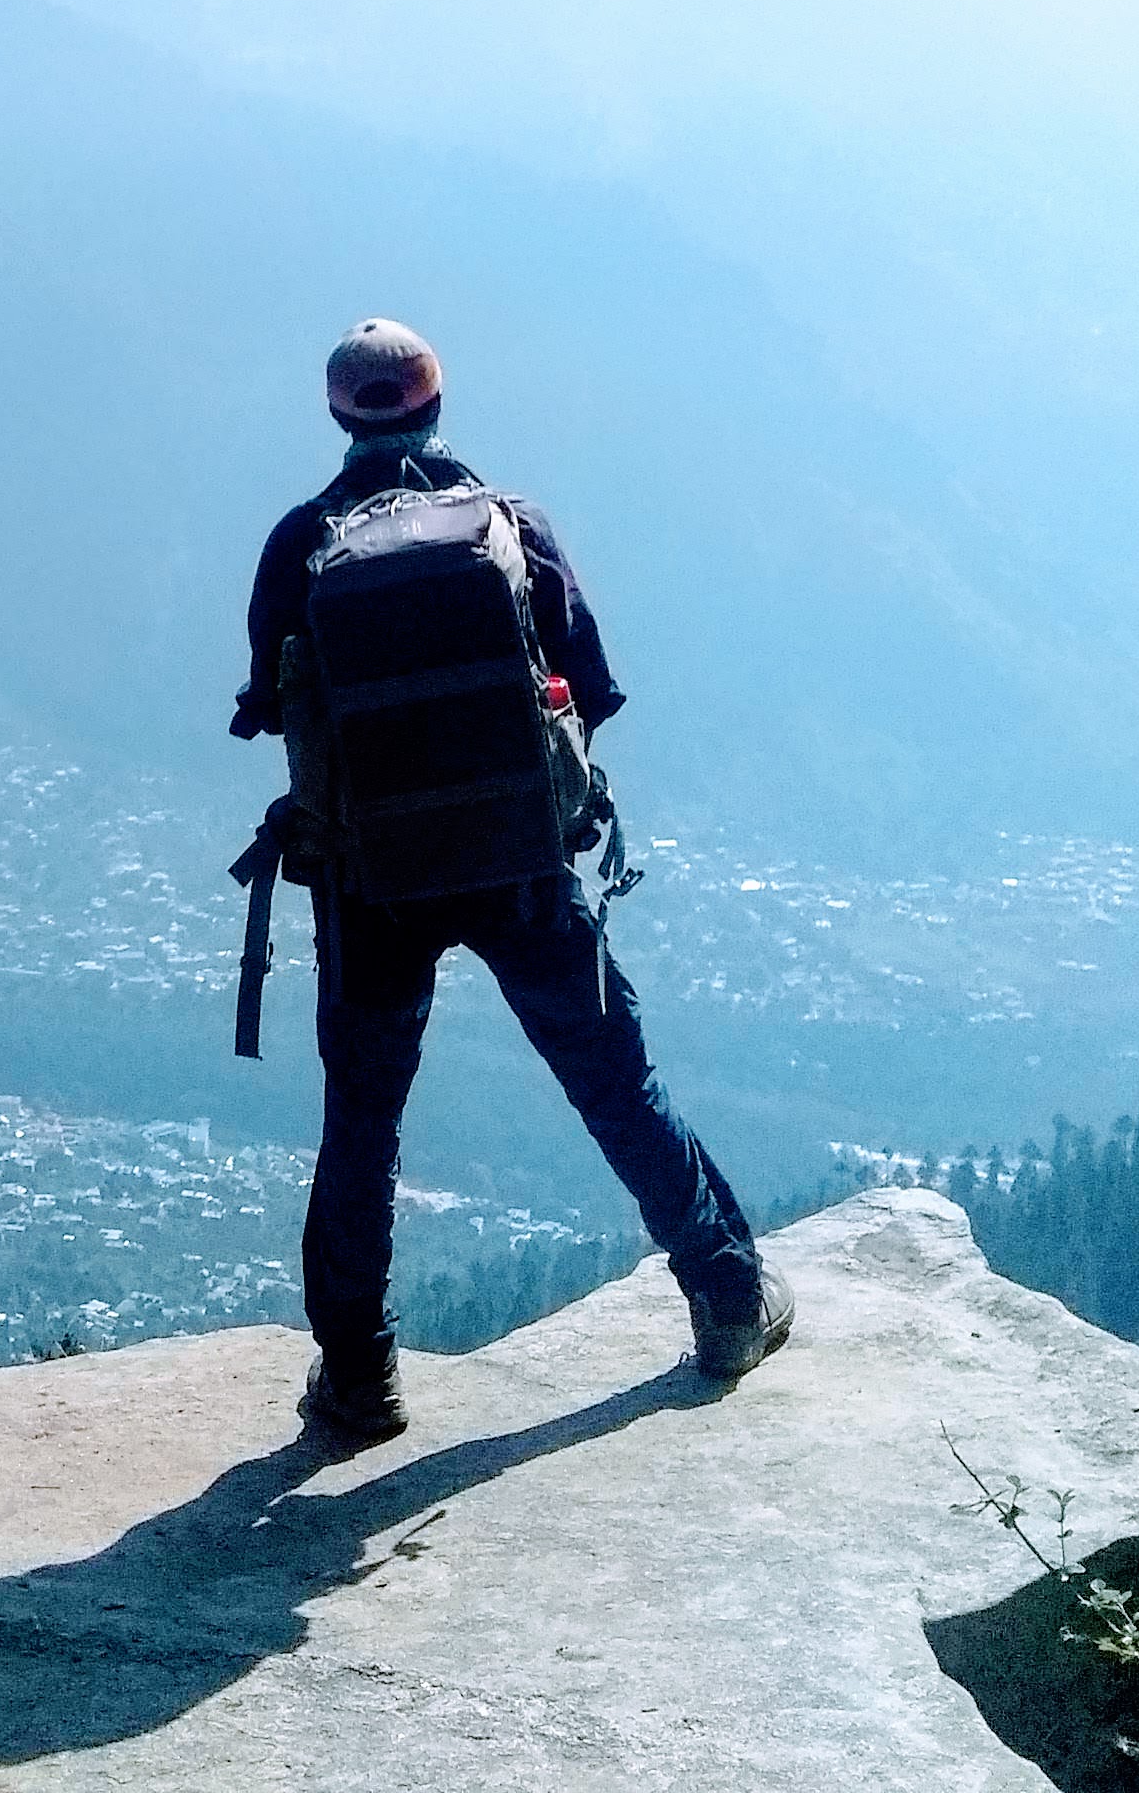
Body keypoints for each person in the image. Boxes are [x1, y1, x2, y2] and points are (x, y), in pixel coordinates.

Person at [231, 316, 788, 1444]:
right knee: (611, 1080)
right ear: (436, 406)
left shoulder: (301, 544)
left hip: (368, 885)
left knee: (362, 1128)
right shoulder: (509, 526)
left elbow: (261, 703)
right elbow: (589, 687)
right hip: (517, 867)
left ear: (337, 415)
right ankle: (727, 1299)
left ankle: (358, 1380)